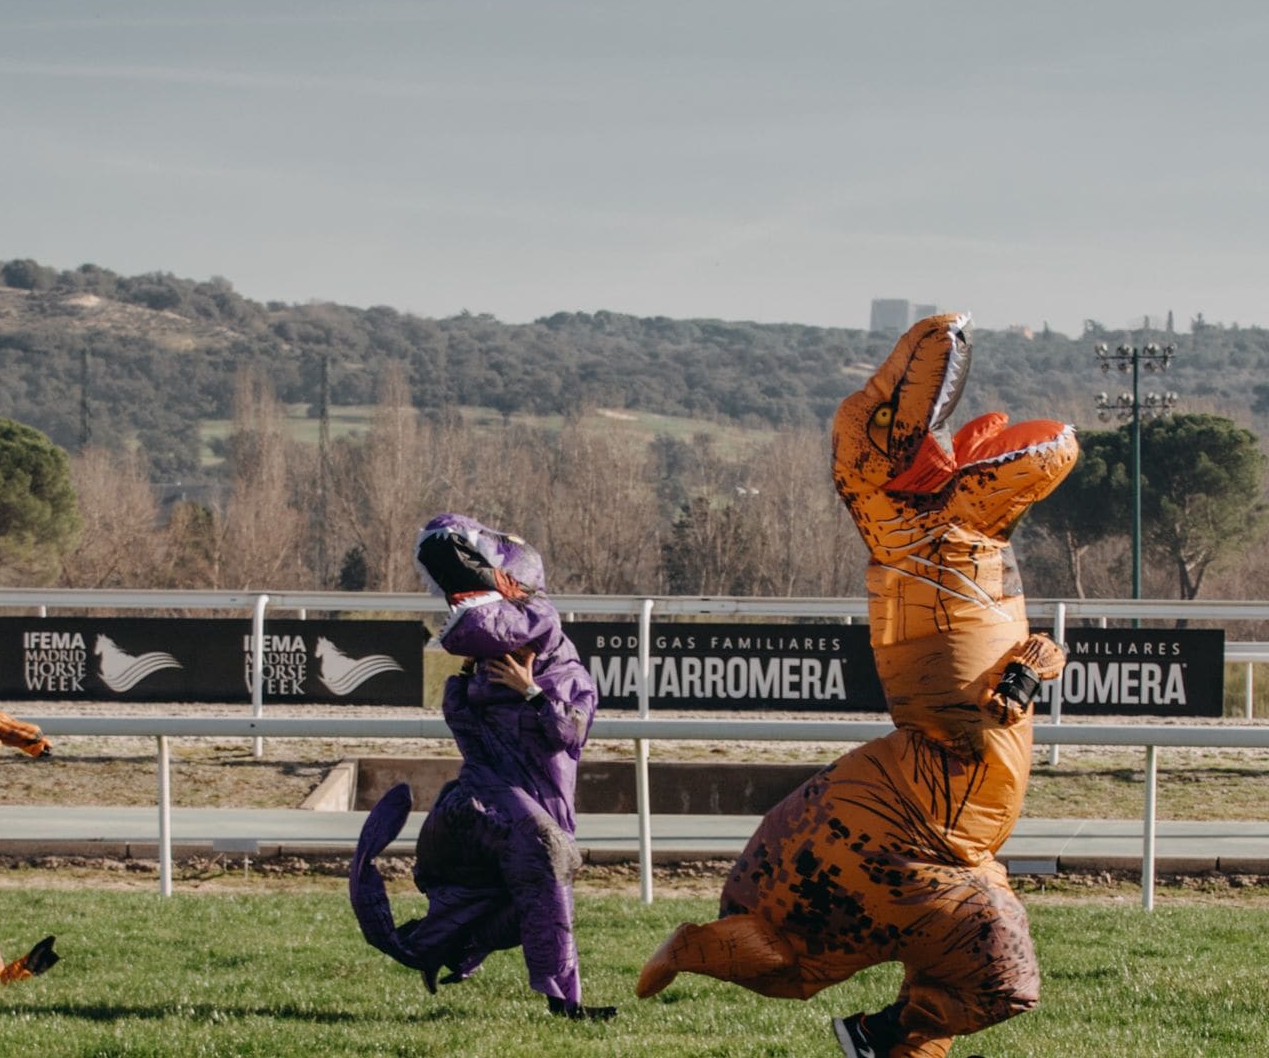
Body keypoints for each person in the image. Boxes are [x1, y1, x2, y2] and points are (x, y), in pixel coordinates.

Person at [636, 314, 1076, 1058]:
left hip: (952, 826)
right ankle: (866, 1032)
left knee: (955, 970)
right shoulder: (915, 539)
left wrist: (1032, 667)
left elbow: (1017, 661)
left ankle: (885, 1037)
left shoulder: (968, 549)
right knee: (996, 973)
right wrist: (1021, 677)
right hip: (915, 825)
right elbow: (958, 689)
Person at [349, 513, 614, 1020]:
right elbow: (474, 736)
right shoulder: (476, 679)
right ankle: (565, 1005)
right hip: (481, 806)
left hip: (522, 806)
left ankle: (432, 948)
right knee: (547, 856)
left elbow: (569, 734)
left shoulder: (566, 671)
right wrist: (500, 689)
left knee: (521, 896)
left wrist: (530, 692)